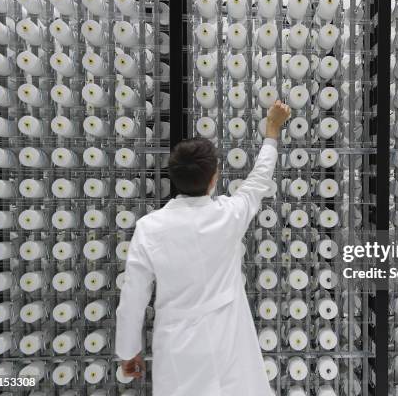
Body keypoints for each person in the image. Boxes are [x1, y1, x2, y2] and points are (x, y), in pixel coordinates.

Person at [115, 100, 291, 396]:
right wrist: (272, 129)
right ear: (214, 178)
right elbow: (260, 178)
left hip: (177, 348)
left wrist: (128, 350)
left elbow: (133, 296)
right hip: (227, 342)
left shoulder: (150, 228)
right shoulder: (229, 215)